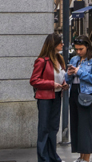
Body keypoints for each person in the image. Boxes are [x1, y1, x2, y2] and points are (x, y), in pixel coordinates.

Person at [30, 34, 67, 162]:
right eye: (60, 42)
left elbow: (61, 76)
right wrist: (51, 84)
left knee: (54, 128)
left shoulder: (60, 59)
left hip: (57, 95)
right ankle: (43, 158)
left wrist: (64, 83)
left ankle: (52, 156)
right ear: (53, 44)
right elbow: (34, 80)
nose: (62, 44)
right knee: (44, 128)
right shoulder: (42, 61)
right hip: (45, 97)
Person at [67, 37, 92, 162]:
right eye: (76, 49)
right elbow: (68, 80)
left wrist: (79, 72)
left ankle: (86, 158)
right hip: (74, 92)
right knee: (76, 125)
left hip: (86, 94)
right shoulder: (74, 59)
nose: (78, 52)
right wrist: (69, 74)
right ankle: (80, 156)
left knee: (85, 126)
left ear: (87, 46)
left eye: (81, 49)